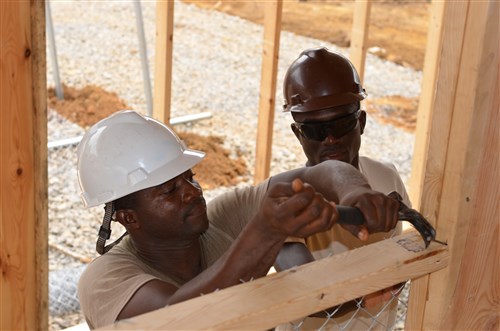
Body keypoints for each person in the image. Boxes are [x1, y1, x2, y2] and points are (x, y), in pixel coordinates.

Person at [76, 110, 400, 329]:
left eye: (189, 178)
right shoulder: (106, 281)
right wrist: (266, 230)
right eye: (169, 191)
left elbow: (319, 175)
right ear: (128, 217)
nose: (191, 192)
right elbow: (178, 319)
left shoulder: (221, 220)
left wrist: (353, 190)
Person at [276, 47, 412, 330]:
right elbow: (302, 285)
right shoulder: (283, 199)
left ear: (360, 123)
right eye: (314, 130)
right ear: (297, 134)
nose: (330, 140)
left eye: (341, 124)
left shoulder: (386, 178)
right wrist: (371, 294)